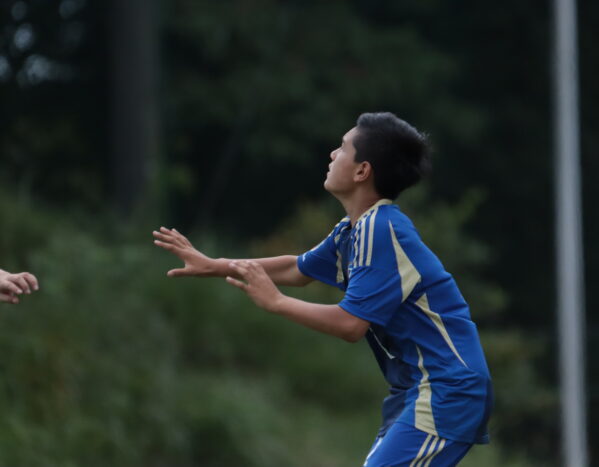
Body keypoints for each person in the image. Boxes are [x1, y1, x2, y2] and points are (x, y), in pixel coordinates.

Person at [153, 112, 493, 466]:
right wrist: (214, 265)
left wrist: (277, 302)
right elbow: (297, 269)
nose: (332, 154)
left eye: (342, 148)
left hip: (447, 388)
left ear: (362, 171)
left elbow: (350, 324)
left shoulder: (380, 230)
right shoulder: (354, 229)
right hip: (417, 389)